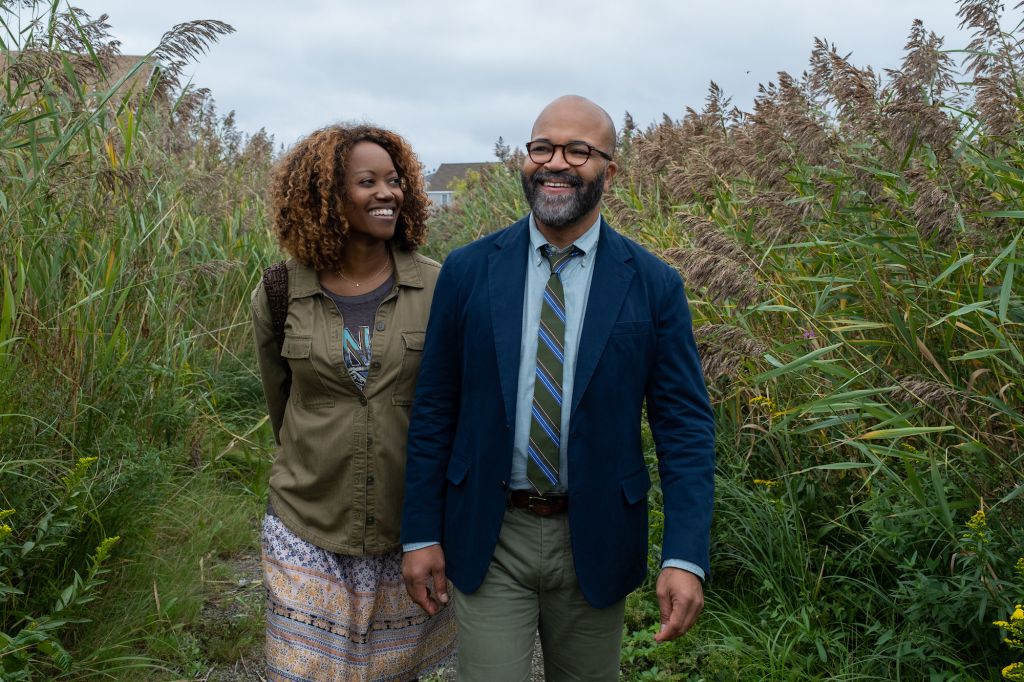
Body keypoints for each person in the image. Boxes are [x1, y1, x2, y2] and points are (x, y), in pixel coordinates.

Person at [400, 95, 716, 681]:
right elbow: (435, 408)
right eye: (542, 147)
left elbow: (685, 428)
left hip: (595, 533)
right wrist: (419, 532)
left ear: (609, 171)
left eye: (579, 150)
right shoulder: (469, 270)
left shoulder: (652, 284)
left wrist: (684, 555)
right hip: (491, 532)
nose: (556, 163)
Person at [252, 124, 457, 681]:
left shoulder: (441, 288)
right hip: (306, 518)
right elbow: (282, 403)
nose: (386, 193)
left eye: (394, 181)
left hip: (405, 527)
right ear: (325, 196)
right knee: (304, 673)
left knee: (392, 674)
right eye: (366, 181)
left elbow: (453, 409)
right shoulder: (279, 291)